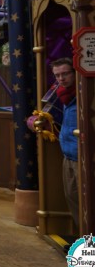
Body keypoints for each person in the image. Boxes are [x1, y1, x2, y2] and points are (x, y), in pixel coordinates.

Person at [50, 57, 79, 229]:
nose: (61, 78)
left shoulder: (82, 93)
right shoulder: (65, 96)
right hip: (68, 153)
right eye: (57, 75)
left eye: (65, 74)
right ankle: (85, 238)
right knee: (71, 196)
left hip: (82, 155)